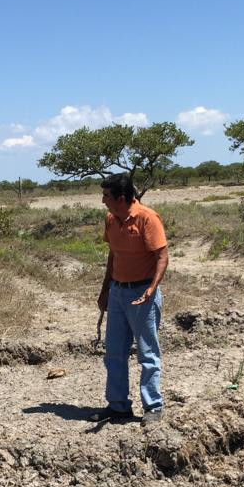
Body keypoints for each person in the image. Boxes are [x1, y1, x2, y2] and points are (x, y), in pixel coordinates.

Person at [93, 174, 169, 426]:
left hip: (142, 294)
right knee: (114, 352)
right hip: (117, 292)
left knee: (147, 353)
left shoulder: (148, 218)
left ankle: (153, 407)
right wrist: (105, 291)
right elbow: (113, 256)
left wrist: (151, 288)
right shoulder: (111, 220)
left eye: (106, 196)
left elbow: (162, 257)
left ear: (122, 198)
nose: (103, 200)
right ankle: (118, 406)